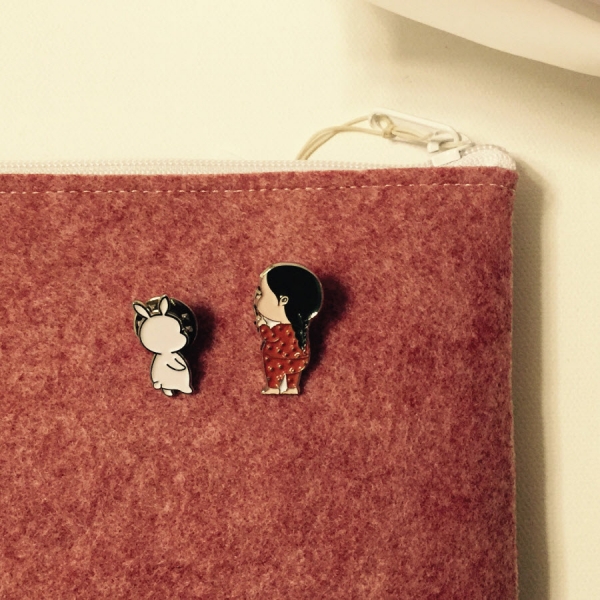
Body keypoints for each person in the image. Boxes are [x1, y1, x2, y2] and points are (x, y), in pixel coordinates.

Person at [254, 263, 322, 395]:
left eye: (261, 294)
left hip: (278, 358)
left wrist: (263, 326)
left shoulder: (281, 328)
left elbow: (271, 337)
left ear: (283, 300)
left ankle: (273, 387)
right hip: (298, 359)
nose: (256, 298)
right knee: (292, 375)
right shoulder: (298, 329)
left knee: (274, 372)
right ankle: (292, 387)